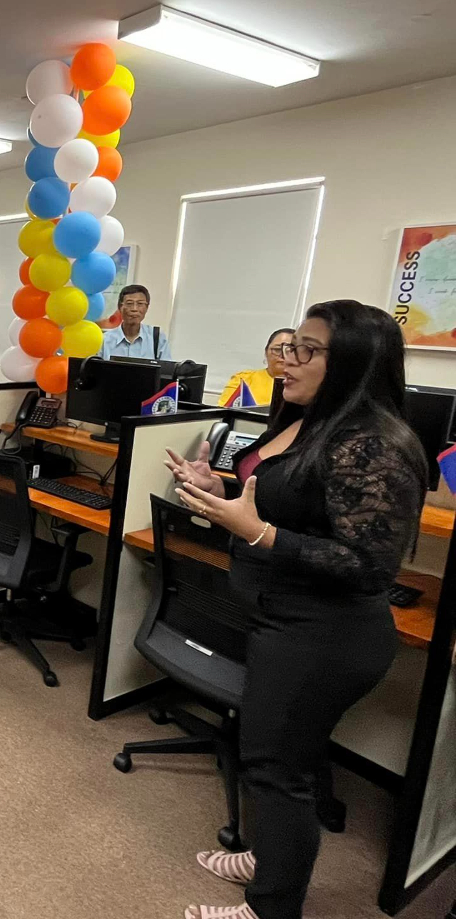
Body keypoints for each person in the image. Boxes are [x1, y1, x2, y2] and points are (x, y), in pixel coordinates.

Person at [166, 300, 426, 919]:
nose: (287, 360)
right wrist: (223, 489)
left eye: (306, 350)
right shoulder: (310, 418)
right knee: (280, 755)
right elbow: (286, 497)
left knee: (276, 769)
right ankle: (267, 858)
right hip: (280, 616)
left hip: (326, 634)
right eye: (289, 347)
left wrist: (258, 534)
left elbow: (370, 566)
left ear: (353, 362)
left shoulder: (373, 445)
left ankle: (271, 907)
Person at [218, 328, 296, 407]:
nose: (282, 356)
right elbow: (223, 411)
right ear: (266, 352)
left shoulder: (302, 386)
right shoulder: (244, 379)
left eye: (289, 351)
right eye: (277, 350)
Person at [100, 284, 172, 360]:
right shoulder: (105, 340)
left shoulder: (157, 338)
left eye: (140, 304)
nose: (134, 309)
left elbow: (166, 367)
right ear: (120, 307)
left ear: (147, 308)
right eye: (129, 303)